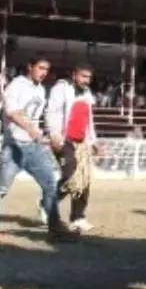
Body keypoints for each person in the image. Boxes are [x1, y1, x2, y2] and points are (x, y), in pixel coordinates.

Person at [0, 56, 75, 243]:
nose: (43, 72)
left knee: (50, 185)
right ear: (30, 67)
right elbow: (12, 113)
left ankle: (54, 226)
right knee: (1, 188)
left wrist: (44, 137)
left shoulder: (41, 90)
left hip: (33, 146)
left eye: (46, 69)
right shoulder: (16, 85)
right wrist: (32, 131)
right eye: (40, 67)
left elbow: (35, 118)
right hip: (14, 146)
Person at [44, 63, 103, 233]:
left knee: (84, 179)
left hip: (82, 142)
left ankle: (78, 217)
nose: (86, 80)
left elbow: (88, 120)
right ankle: (47, 202)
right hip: (65, 140)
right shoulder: (61, 89)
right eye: (83, 76)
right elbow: (52, 112)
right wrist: (54, 134)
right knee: (70, 175)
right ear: (74, 74)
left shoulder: (87, 94)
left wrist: (93, 142)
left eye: (89, 77)